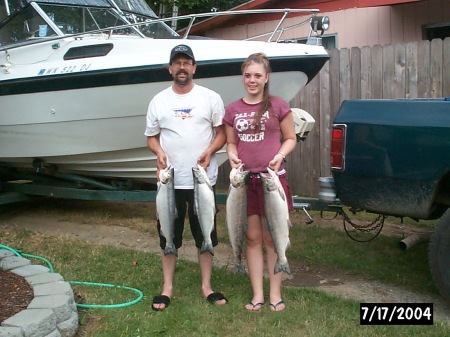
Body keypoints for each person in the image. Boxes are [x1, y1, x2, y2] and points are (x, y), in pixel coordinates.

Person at [145, 44, 227, 311]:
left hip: (202, 182)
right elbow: (151, 137)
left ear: (194, 68)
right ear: (170, 68)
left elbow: (221, 133)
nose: (182, 67)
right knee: (168, 235)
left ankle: (207, 287)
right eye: (177, 62)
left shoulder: (210, 98)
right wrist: (158, 153)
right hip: (169, 183)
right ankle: (167, 289)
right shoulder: (158, 100)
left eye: (187, 62)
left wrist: (210, 151)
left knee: (205, 233)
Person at [223, 53, 296, 312]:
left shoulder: (278, 105)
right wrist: (231, 153)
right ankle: (258, 295)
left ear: (266, 78)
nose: (252, 80)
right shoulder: (232, 109)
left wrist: (279, 156)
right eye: (247, 75)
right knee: (252, 237)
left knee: (272, 237)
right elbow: (231, 142)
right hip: (245, 182)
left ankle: (276, 294)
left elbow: (290, 138)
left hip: (272, 182)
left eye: (257, 75)